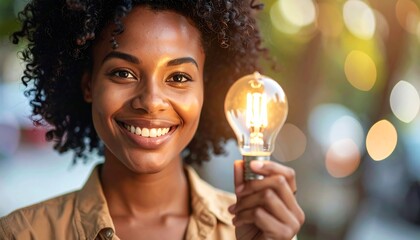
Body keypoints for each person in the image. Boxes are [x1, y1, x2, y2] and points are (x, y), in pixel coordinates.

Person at [0, 0, 305, 239]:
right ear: (88, 85)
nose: (150, 101)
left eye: (179, 77)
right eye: (123, 73)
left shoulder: (262, 231)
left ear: (205, 92)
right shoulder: (23, 233)